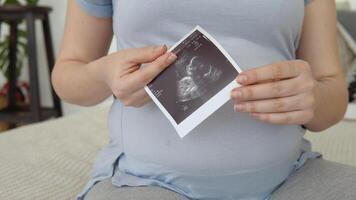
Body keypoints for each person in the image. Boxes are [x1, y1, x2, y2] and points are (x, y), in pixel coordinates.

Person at [52, 0, 356, 199]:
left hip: (290, 178)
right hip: (147, 182)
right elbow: (68, 76)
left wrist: (314, 97)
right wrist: (104, 74)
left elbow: (333, 96)